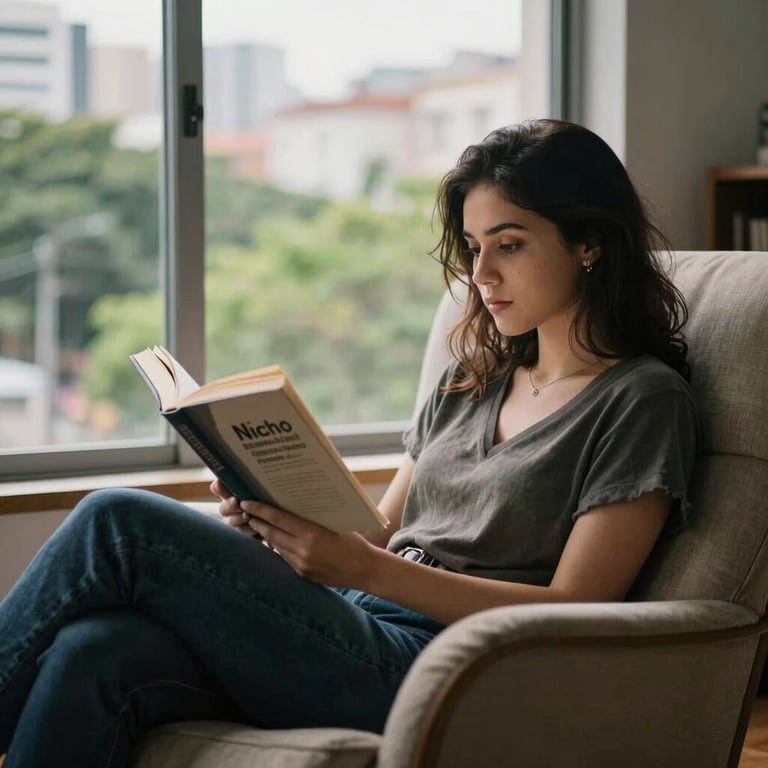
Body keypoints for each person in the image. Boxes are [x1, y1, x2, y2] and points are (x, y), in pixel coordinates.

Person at [0, 119, 698, 767]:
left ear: (589, 244)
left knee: (118, 520)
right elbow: (379, 534)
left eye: (509, 245)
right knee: (95, 650)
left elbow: (578, 608)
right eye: (473, 247)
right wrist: (271, 515)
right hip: (350, 623)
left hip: (446, 665)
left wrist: (367, 571)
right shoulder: (472, 379)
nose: (482, 274)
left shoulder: (640, 399)